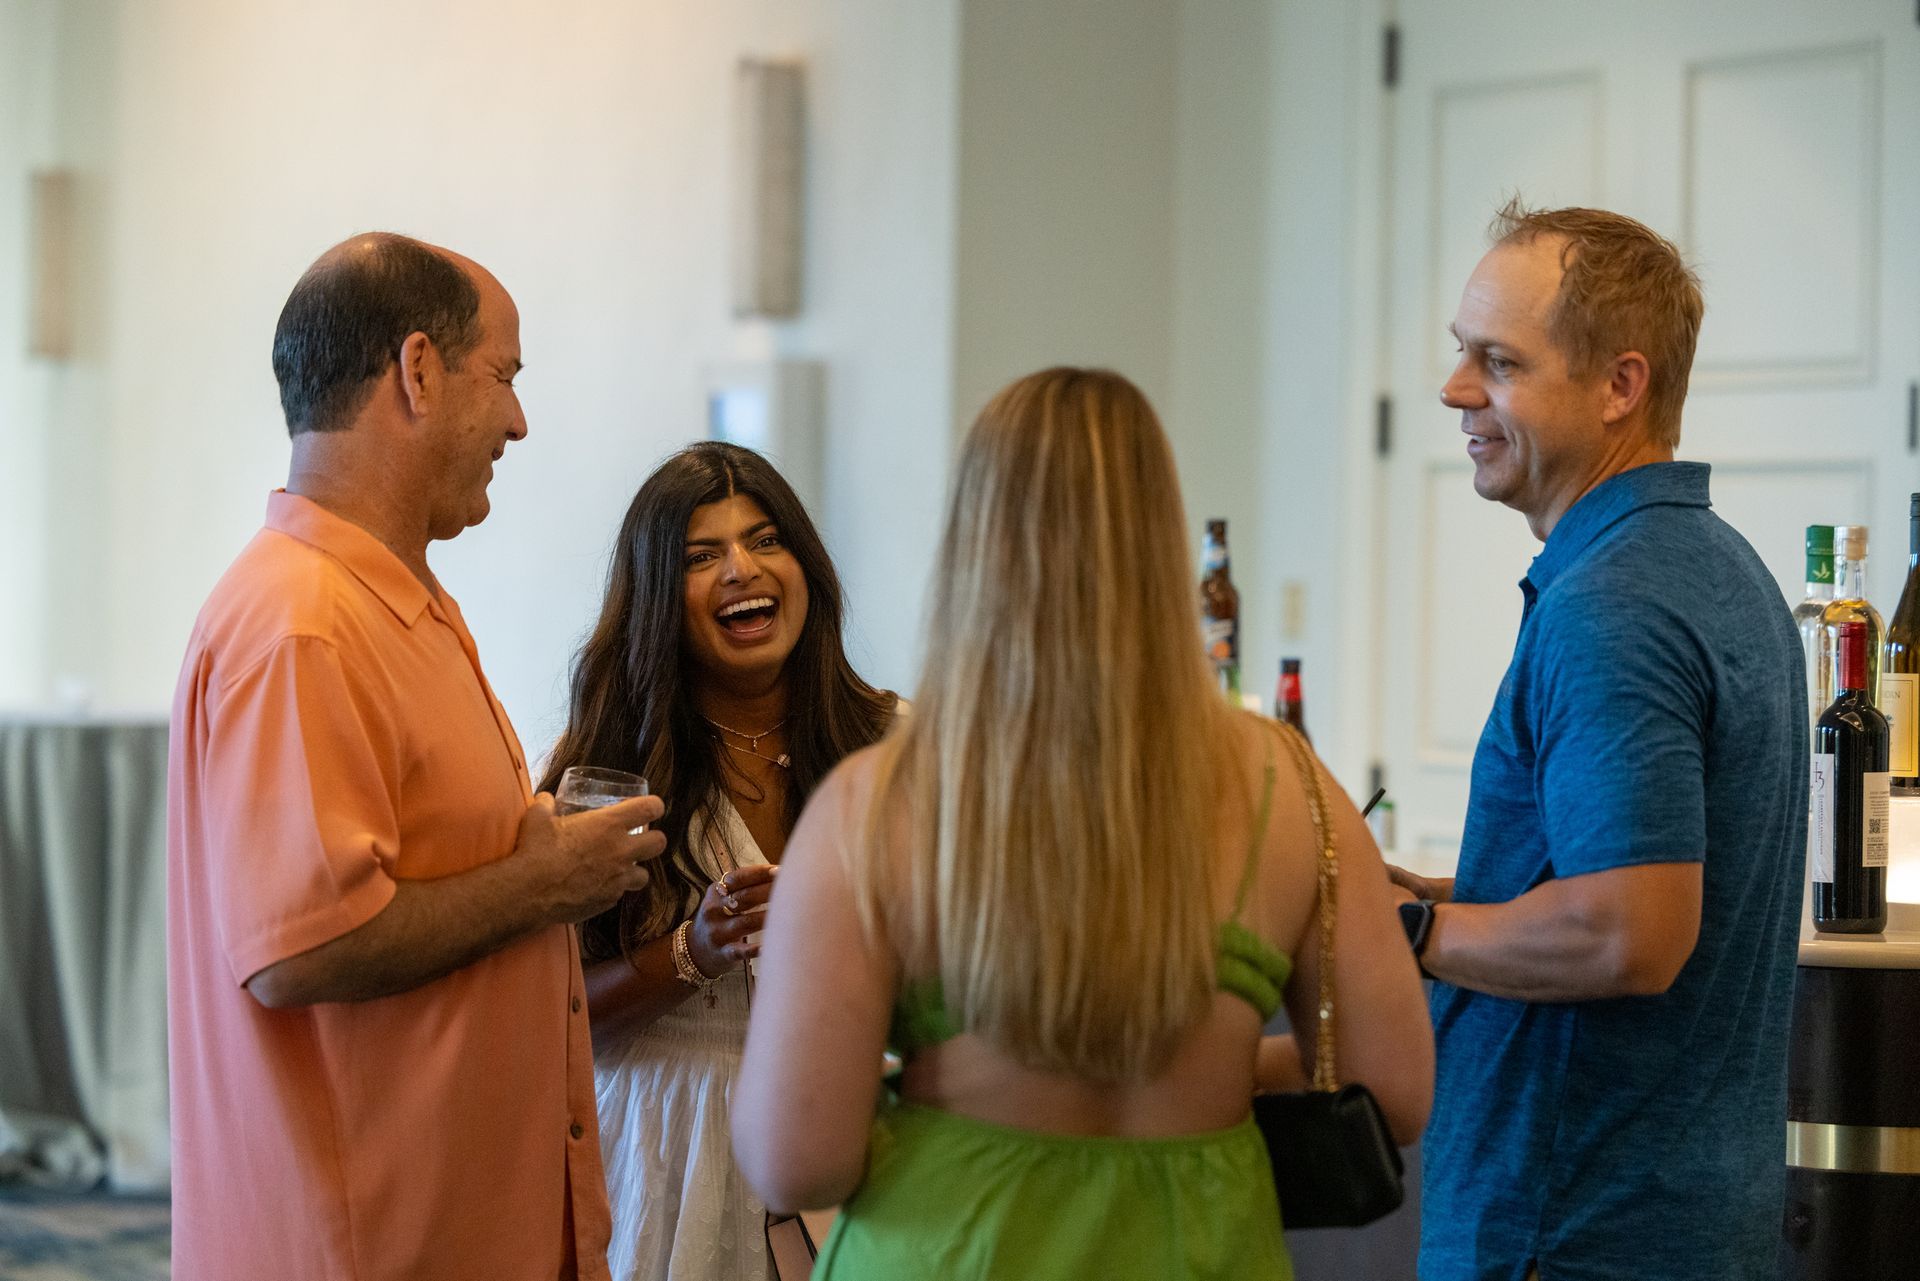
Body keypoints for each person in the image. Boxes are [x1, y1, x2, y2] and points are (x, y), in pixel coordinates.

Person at [732, 368, 1432, 1279]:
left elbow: (799, 1156)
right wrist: (1217, 1063)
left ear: (972, 545)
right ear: (1160, 536)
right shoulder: (1291, 787)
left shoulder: (877, 805)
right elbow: (1397, 1092)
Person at [166, 233, 667, 1281]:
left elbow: (413, 865)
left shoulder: (402, 601)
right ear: (419, 370)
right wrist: (541, 883)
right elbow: (300, 948)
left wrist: (526, 848)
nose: (520, 423)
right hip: (367, 1245)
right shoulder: (302, 622)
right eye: (507, 376)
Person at [1387, 202, 1805, 1281]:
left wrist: (1409, 929)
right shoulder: (1720, 570)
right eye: (1459, 355)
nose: (1455, 391)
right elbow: (1614, 877)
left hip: (1571, 1234)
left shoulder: (1609, 607)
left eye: (1500, 363)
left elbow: (1629, 933)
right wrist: (1443, 889)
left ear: (1621, 386)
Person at [542, 442, 896, 1281]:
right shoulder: (605, 772)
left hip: (849, 1135)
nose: (743, 569)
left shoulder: (894, 747)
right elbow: (554, 1019)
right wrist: (691, 953)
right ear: (660, 596)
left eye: (767, 539)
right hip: (672, 1149)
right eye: (702, 556)